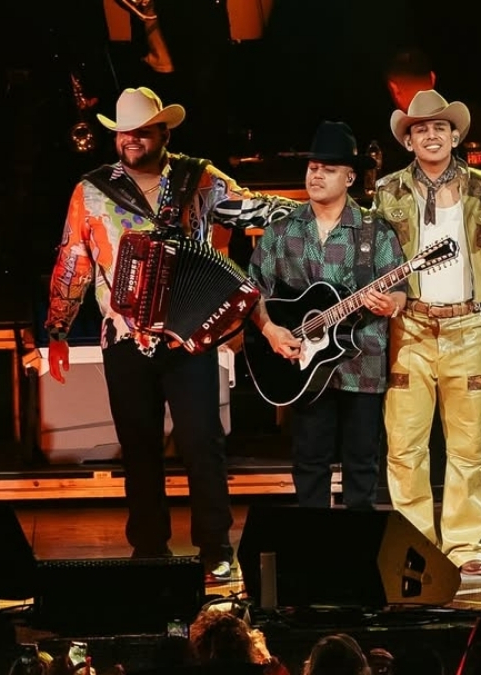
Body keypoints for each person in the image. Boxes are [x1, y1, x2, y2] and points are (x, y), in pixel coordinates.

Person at [45, 86, 294, 582]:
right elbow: (74, 261)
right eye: (124, 133)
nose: (131, 140)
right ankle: (149, 551)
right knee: (138, 448)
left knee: (203, 443)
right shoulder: (91, 190)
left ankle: (215, 548)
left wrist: (310, 207)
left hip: (189, 338)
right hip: (124, 338)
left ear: (164, 133)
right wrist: (57, 331)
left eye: (142, 131)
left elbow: (251, 208)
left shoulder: (197, 178)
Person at [373, 89, 481, 576]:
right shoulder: (387, 190)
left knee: (469, 445)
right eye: (421, 129)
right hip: (410, 327)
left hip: (467, 326)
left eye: (439, 127)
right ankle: (417, 545)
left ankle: (465, 544)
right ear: (408, 141)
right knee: (405, 445)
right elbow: (377, 256)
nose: (431, 135)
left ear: (455, 136)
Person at [249, 120, 407, 510]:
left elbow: (399, 290)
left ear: (350, 177)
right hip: (302, 366)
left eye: (328, 169)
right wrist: (270, 330)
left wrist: (391, 304)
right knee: (309, 462)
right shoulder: (282, 231)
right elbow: (252, 292)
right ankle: (313, 540)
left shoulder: (375, 231)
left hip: (361, 363)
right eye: (313, 167)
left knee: (362, 465)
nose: (316, 175)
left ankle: (358, 544)